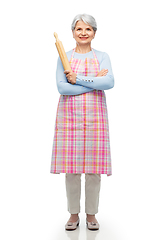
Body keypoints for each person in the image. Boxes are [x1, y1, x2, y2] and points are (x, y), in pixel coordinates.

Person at [50, 13, 114, 231]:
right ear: (73, 33)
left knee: (94, 170)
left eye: (88, 29)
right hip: (69, 119)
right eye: (79, 29)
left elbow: (110, 82)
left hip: (96, 119)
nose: (83, 33)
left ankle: (92, 215)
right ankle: (73, 214)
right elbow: (63, 88)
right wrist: (95, 82)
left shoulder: (103, 56)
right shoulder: (63, 57)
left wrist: (78, 79)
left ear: (94, 33)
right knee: (72, 170)